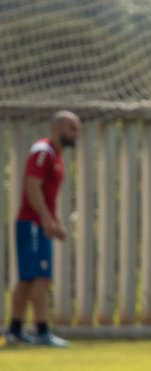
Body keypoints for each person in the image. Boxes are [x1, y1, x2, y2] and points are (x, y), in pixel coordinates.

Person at [5, 110, 79, 348]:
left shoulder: (56, 156)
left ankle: (15, 330)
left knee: (28, 278)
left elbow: (46, 194)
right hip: (32, 222)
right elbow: (32, 187)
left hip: (39, 222)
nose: (76, 134)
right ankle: (42, 331)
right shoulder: (42, 152)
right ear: (56, 129)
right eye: (72, 128)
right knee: (40, 276)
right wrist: (46, 220)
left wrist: (53, 221)